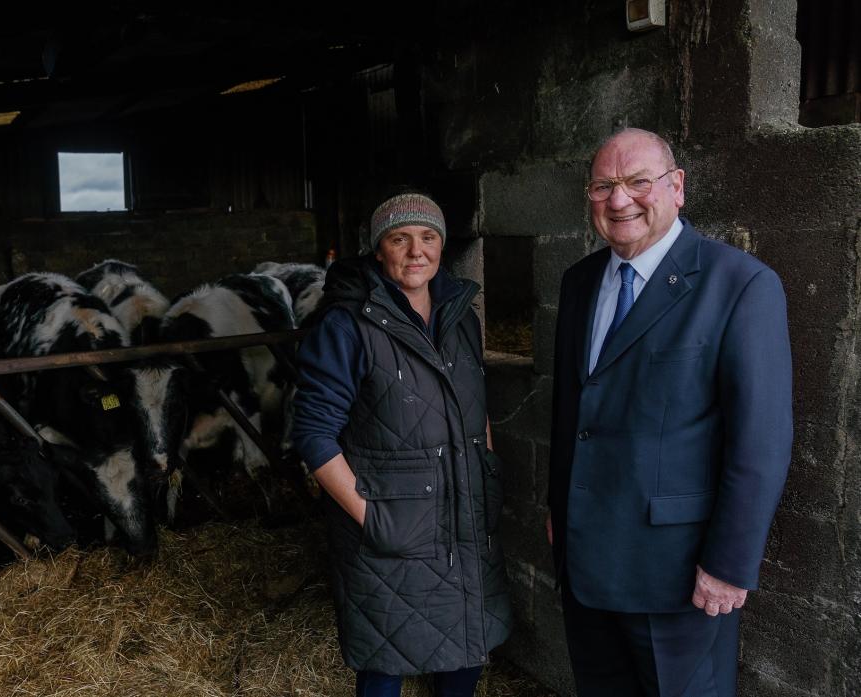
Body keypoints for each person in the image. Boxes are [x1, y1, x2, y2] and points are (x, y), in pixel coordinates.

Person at [546, 128, 792, 696]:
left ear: (677, 187)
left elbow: (762, 439)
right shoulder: (580, 282)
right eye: (603, 186)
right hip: (586, 563)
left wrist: (730, 563)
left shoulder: (740, 284)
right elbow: (572, 412)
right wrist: (558, 504)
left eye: (637, 182)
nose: (619, 199)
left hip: (678, 577)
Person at [292, 191, 513, 696]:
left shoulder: (462, 318)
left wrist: (487, 471)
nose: (417, 251)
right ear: (379, 250)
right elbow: (312, 433)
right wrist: (372, 517)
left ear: (441, 247)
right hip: (390, 523)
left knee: (465, 652)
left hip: (464, 516)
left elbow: (476, 408)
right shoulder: (346, 324)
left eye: (428, 237)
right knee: (385, 658)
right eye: (400, 238)